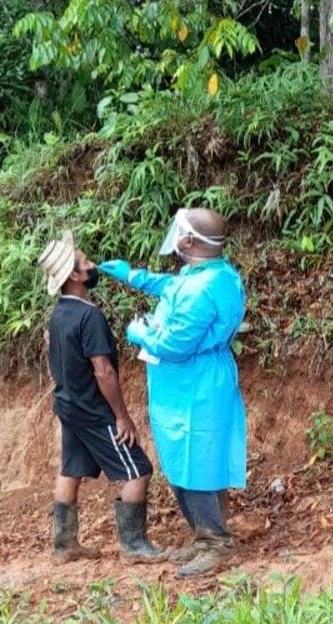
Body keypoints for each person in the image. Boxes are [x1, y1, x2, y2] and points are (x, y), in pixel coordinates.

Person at [99, 208, 247, 579]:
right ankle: (204, 535)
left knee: (194, 463)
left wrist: (141, 332)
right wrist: (133, 276)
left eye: (180, 233)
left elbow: (175, 344)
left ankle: (215, 543)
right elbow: (171, 286)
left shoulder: (201, 288)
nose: (175, 239)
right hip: (191, 383)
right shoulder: (214, 274)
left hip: (192, 385)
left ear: (190, 241)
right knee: (198, 461)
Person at [37, 231, 166, 565]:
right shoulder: (88, 316)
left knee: (71, 470)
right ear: (76, 276)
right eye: (86, 262)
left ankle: (64, 546)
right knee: (138, 469)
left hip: (68, 404)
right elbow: (103, 371)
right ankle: (133, 545)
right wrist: (122, 417)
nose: (93, 265)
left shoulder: (59, 313)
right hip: (92, 409)